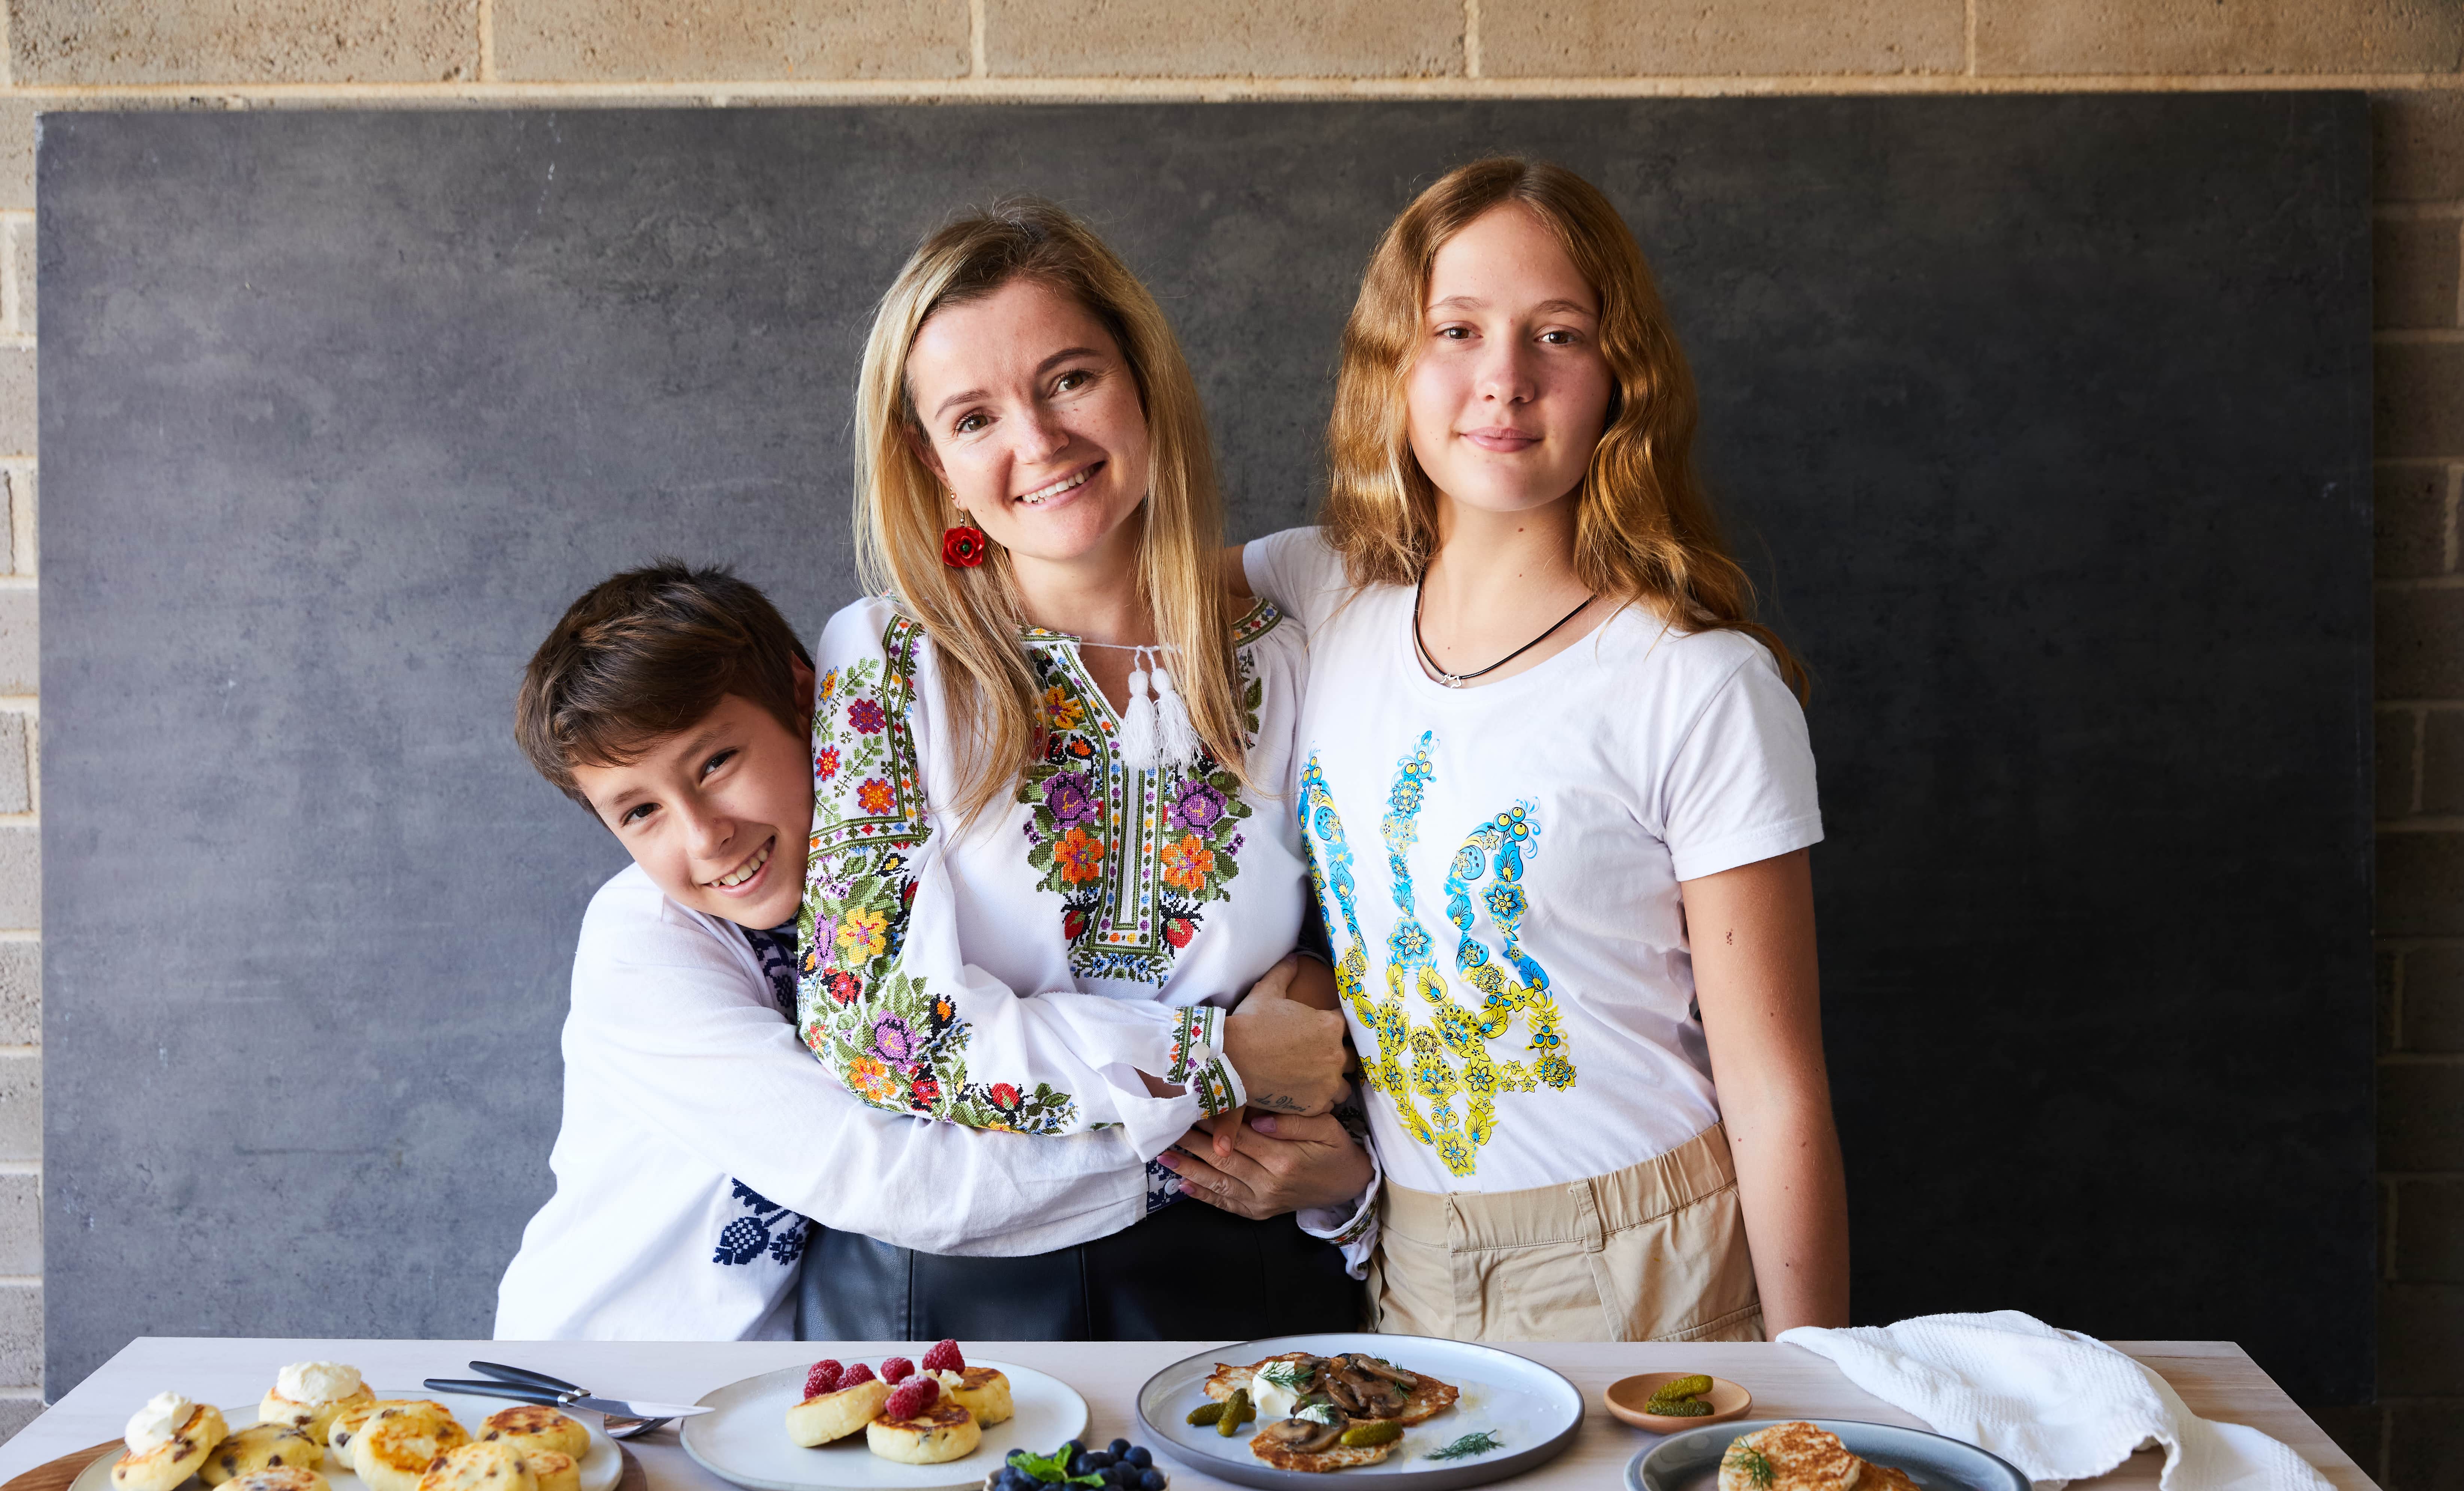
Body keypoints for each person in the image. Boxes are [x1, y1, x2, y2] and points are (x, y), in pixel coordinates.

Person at [1236, 157, 1850, 1343]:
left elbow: (1775, 1090)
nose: (1501, 381)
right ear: (1392, 368)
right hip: (1407, 1251)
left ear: (1619, 376)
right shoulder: (1323, 593)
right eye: (1454, 330)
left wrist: (1811, 1376)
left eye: (1555, 334)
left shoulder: (1697, 683)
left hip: (1648, 1262)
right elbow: (1103, 585)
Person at [491, 563, 1369, 1339]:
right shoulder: (643, 944)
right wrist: (1219, 1090)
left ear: (811, 699)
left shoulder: (924, 878)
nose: (705, 835)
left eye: (716, 762)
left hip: (774, 1381)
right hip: (601, 1370)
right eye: (639, 812)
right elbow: (894, 1175)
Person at [792, 198, 1376, 1338]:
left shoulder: (1292, 648)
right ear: (932, 464)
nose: (1039, 442)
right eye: (974, 417)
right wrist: (1216, 1055)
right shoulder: (889, 656)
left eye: (1067, 379)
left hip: (1249, 1269)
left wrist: (1315, 1051)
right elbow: (874, 1021)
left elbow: (1356, 958)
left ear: (1142, 380)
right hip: (956, 1294)